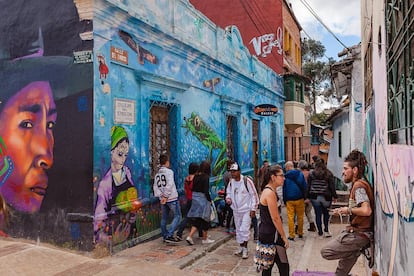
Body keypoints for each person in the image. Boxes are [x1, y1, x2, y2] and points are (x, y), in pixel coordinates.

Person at [321, 149, 374, 276]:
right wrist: (344, 211)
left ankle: (356, 250)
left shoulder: (359, 186)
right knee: (340, 273)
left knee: (326, 251)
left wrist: (347, 210)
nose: (343, 172)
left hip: (360, 235)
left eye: (345, 169)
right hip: (358, 233)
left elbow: (366, 210)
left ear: (355, 170)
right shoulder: (357, 184)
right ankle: (355, 250)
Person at [94, 126, 141, 245]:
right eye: (120, 154)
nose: (123, 159)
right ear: (111, 152)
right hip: (114, 235)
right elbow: (97, 224)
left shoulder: (127, 172)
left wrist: (132, 215)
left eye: (126, 155)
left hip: (130, 232)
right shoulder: (105, 185)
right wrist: (111, 240)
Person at [254, 165, 289, 275]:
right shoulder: (269, 193)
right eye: (281, 175)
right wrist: (283, 236)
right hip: (272, 234)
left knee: (268, 266)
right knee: (283, 266)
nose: (283, 178)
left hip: (268, 232)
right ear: (273, 177)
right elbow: (275, 218)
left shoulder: (270, 191)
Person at [226, 162, 259, 259]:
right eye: (231, 171)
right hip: (236, 210)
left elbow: (254, 195)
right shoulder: (231, 182)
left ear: (239, 171)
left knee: (244, 229)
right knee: (238, 230)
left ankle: (245, 249)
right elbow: (228, 192)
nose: (233, 173)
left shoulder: (246, 181)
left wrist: (253, 209)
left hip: (246, 210)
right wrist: (228, 198)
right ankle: (241, 247)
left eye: (234, 171)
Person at [153, 154, 182, 243]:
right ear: (166, 162)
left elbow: (155, 187)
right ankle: (169, 234)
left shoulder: (157, 174)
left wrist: (161, 196)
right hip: (171, 198)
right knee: (177, 216)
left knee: (164, 218)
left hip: (162, 199)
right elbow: (170, 185)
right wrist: (166, 195)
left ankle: (165, 235)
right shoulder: (169, 172)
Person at [186, 160, 215, 245]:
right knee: (205, 219)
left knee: (197, 219)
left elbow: (192, 188)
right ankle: (205, 238)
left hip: (195, 199)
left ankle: (190, 236)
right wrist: (209, 200)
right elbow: (206, 190)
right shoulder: (206, 177)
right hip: (203, 200)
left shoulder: (196, 177)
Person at [307, 158, 337, 238]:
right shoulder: (329, 173)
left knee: (318, 214)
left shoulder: (311, 174)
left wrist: (307, 196)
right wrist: (335, 196)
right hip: (326, 197)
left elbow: (308, 186)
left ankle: (320, 232)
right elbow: (332, 186)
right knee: (326, 214)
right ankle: (326, 230)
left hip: (315, 197)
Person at [282, 161, 306, 240]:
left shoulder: (285, 177)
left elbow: (284, 189)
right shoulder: (300, 174)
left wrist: (284, 200)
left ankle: (291, 235)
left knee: (290, 217)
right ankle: (300, 232)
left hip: (289, 199)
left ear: (287, 168)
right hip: (300, 198)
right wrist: (305, 196)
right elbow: (304, 186)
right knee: (300, 216)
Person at [176, 162, 199, 240]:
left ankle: (179, 233)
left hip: (188, 199)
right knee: (199, 217)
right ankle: (201, 234)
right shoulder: (196, 179)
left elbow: (185, 190)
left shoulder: (186, 179)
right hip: (195, 200)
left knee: (186, 217)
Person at [298, 160, 317, 232]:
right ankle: (312, 225)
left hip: (302, 196)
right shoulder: (311, 174)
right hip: (311, 195)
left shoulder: (299, 174)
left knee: (300, 213)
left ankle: (298, 228)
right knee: (308, 211)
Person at [223, 160, 235, 234]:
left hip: (227, 193)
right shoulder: (230, 174)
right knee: (231, 212)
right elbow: (232, 184)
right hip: (231, 194)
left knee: (229, 211)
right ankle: (231, 227)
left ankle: (228, 226)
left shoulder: (225, 173)